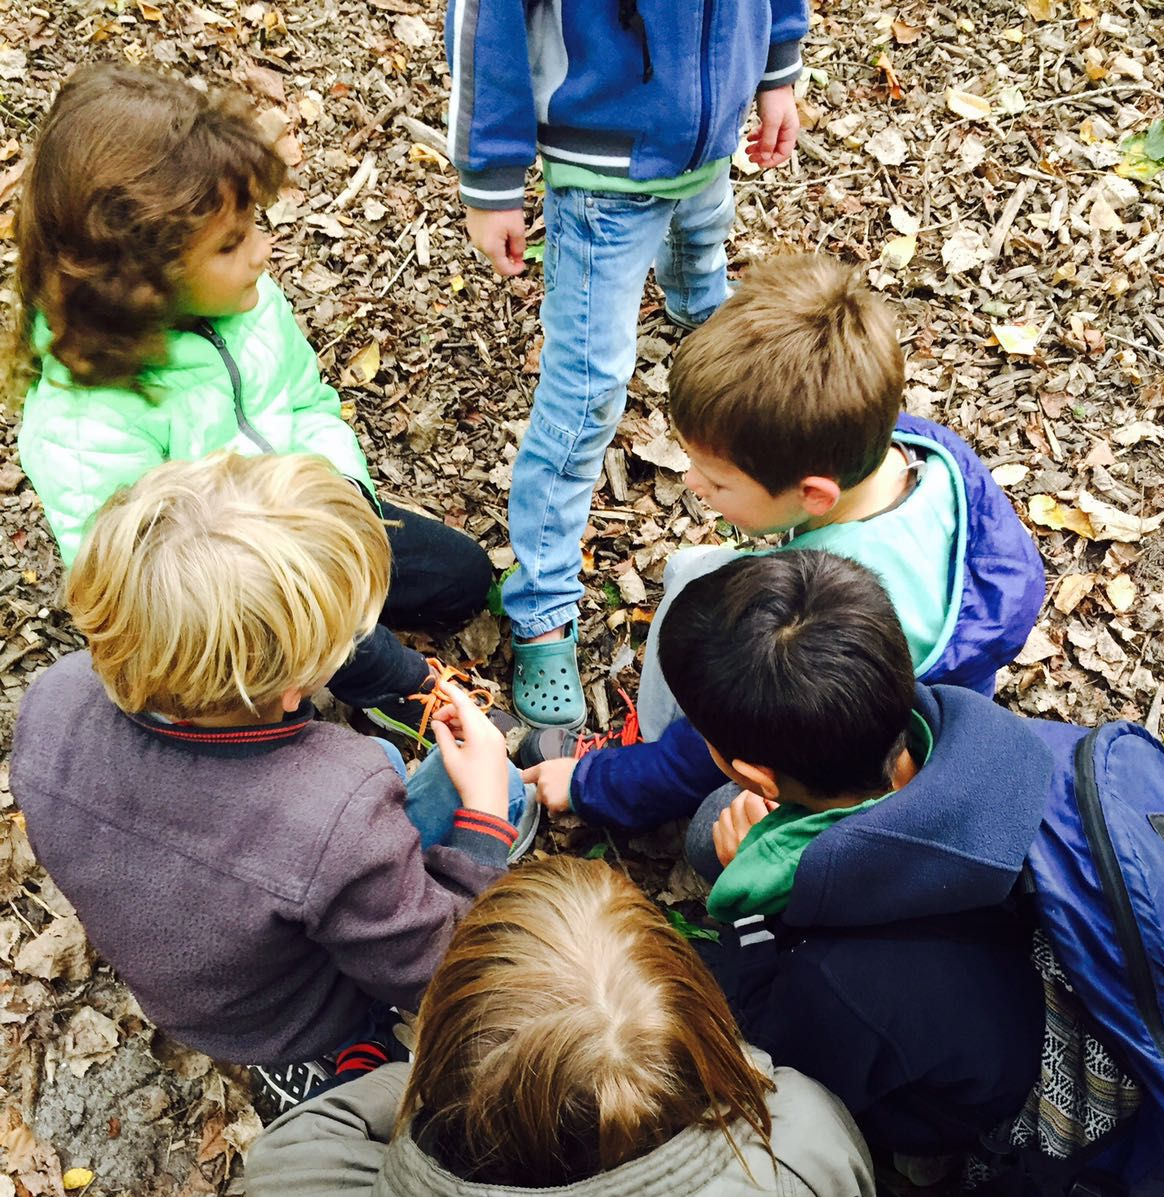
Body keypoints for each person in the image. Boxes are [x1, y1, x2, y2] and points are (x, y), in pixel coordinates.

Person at [10, 454, 537, 1111]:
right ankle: (339, 1053)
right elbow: (435, 964)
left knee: (372, 755)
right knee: (498, 790)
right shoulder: (333, 807)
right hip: (292, 1013)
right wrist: (485, 817)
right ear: (294, 688)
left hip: (190, 983)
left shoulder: (53, 696)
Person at [13, 63, 490, 736]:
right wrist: (312, 599)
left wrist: (344, 498)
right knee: (364, 658)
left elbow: (305, 401)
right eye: (233, 244)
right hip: (234, 603)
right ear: (141, 275)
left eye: (255, 225)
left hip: (306, 522)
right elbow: (142, 587)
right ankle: (381, 695)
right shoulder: (87, 418)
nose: (264, 254)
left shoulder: (245, 302)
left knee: (461, 578)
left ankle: (343, 649)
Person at [661, 552, 1161, 1190]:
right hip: (1038, 963)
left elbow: (789, 1060)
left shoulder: (838, 979)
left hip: (1006, 1100)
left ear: (757, 776)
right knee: (713, 825)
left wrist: (756, 915)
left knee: (719, 979)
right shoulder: (984, 735)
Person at [520, 253, 1045, 826]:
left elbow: (716, 746)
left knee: (701, 586)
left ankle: (636, 744)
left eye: (717, 480)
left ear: (815, 494)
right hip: (934, 695)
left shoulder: (821, 624)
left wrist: (592, 785)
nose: (690, 482)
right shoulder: (922, 450)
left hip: (836, 753)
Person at [446, 0, 809, 729]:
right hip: (602, 174)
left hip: (707, 138)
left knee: (703, 235)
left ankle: (697, 305)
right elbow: (487, 22)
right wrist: (491, 177)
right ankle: (541, 603)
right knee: (587, 395)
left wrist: (776, 67)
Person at [244, 855, 876, 1197]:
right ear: (702, 1019)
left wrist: (402, 1080)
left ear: (441, 1050)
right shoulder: (799, 1143)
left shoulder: (299, 1175)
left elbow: (311, 1132)